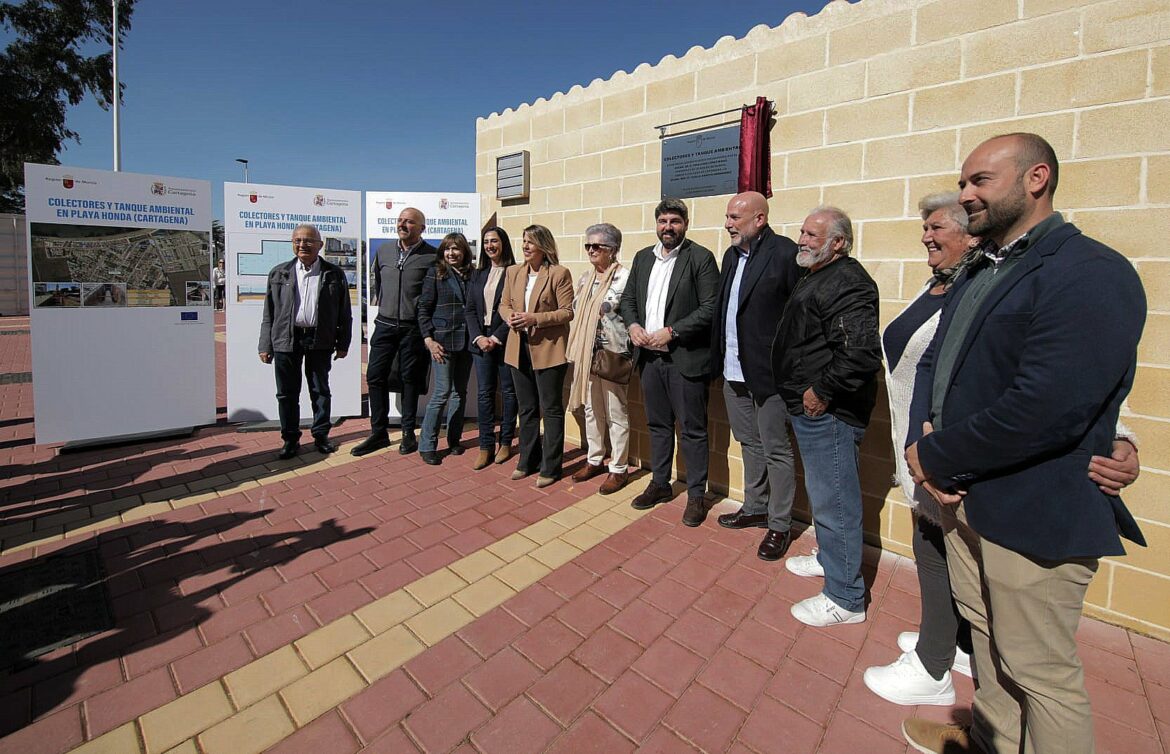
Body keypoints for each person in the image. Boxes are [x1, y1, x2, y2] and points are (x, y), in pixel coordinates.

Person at [902, 134, 1147, 754]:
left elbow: (1048, 408)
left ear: (1036, 179)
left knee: (1042, 675)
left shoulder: (1090, 271)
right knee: (986, 643)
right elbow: (937, 364)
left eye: (980, 181)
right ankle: (993, 740)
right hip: (964, 503)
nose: (966, 195)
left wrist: (934, 456)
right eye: (964, 182)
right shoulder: (984, 267)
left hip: (1031, 511)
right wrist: (920, 448)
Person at [773, 206, 881, 627]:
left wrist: (821, 393)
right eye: (801, 232)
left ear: (838, 242)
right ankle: (831, 560)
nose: (802, 240)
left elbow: (860, 353)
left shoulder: (848, 282)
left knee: (836, 501)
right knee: (824, 495)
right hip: (812, 408)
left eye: (812, 235)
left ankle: (846, 597)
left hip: (830, 411)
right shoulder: (818, 274)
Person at [710, 191, 802, 551]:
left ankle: (780, 524)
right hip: (733, 368)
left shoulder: (785, 254)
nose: (728, 224)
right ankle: (755, 507)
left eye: (735, 217)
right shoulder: (731, 256)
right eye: (728, 216)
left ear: (759, 219)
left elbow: (799, 318)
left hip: (769, 374)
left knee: (776, 449)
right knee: (749, 442)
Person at [618, 198, 720, 523]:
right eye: (663, 221)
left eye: (674, 221)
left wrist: (672, 332)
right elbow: (628, 299)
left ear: (685, 224)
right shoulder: (642, 258)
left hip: (684, 360)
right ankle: (660, 484)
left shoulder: (700, 258)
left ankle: (695, 496)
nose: (668, 228)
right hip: (649, 360)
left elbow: (710, 307)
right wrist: (633, 326)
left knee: (692, 430)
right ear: (656, 224)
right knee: (658, 425)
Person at [258, 224, 352, 459]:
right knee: (287, 393)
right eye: (298, 240)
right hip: (286, 339)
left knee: (320, 390)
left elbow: (344, 312)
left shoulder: (334, 274)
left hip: (320, 338)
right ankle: (290, 439)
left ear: (320, 245)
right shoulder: (279, 273)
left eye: (309, 241)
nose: (303, 245)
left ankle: (321, 436)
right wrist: (265, 344)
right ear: (292, 243)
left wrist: (343, 343)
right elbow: (269, 312)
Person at [352, 208, 436, 457]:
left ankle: (408, 432)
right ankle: (378, 433)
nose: (403, 224)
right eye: (400, 220)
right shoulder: (383, 250)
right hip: (385, 324)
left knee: (409, 380)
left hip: (412, 328)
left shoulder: (432, 256)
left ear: (422, 228)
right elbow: (377, 284)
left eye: (409, 221)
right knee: (375, 377)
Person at [499, 224, 574, 488]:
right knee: (527, 408)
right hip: (517, 349)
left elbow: (567, 312)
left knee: (551, 409)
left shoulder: (559, 273)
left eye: (531, 242)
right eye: (524, 241)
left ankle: (551, 466)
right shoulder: (513, 272)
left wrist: (535, 319)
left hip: (549, 350)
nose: (526, 246)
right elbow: (504, 304)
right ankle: (527, 460)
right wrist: (509, 317)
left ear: (544, 245)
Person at [567, 223, 632, 495]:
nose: (591, 250)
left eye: (597, 246)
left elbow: (617, 305)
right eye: (588, 246)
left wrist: (603, 308)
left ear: (613, 250)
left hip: (611, 352)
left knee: (616, 411)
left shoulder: (623, 277)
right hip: (586, 352)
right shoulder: (585, 278)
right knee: (592, 409)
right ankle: (595, 458)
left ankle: (619, 468)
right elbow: (575, 306)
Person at [417, 233, 474, 465]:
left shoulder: (473, 274)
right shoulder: (435, 273)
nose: (452, 253)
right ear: (443, 252)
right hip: (441, 341)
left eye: (457, 249)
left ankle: (454, 440)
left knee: (460, 393)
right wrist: (428, 339)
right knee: (441, 393)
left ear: (464, 252)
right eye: (448, 249)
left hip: (467, 341)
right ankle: (427, 444)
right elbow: (423, 308)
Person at [464, 226, 518, 469]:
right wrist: (478, 337)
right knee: (484, 394)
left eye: (494, 241)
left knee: (508, 393)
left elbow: (515, 309)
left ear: (503, 243)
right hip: (480, 341)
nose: (489, 246)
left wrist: (496, 337)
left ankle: (505, 442)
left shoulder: (514, 272)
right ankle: (485, 446)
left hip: (504, 339)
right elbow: (470, 310)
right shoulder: (478, 273)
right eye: (486, 242)